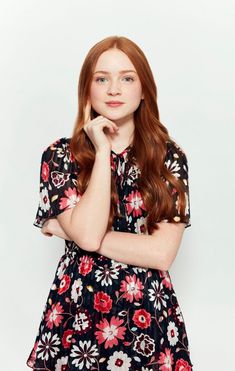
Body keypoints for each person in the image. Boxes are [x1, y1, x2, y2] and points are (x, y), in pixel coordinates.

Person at [26, 35, 193, 371]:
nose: (114, 90)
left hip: (149, 320)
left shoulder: (168, 157)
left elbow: (161, 253)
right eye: (102, 79)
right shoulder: (60, 156)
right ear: (87, 89)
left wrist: (64, 228)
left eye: (127, 78)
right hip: (76, 318)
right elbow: (87, 237)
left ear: (144, 89)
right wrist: (102, 152)